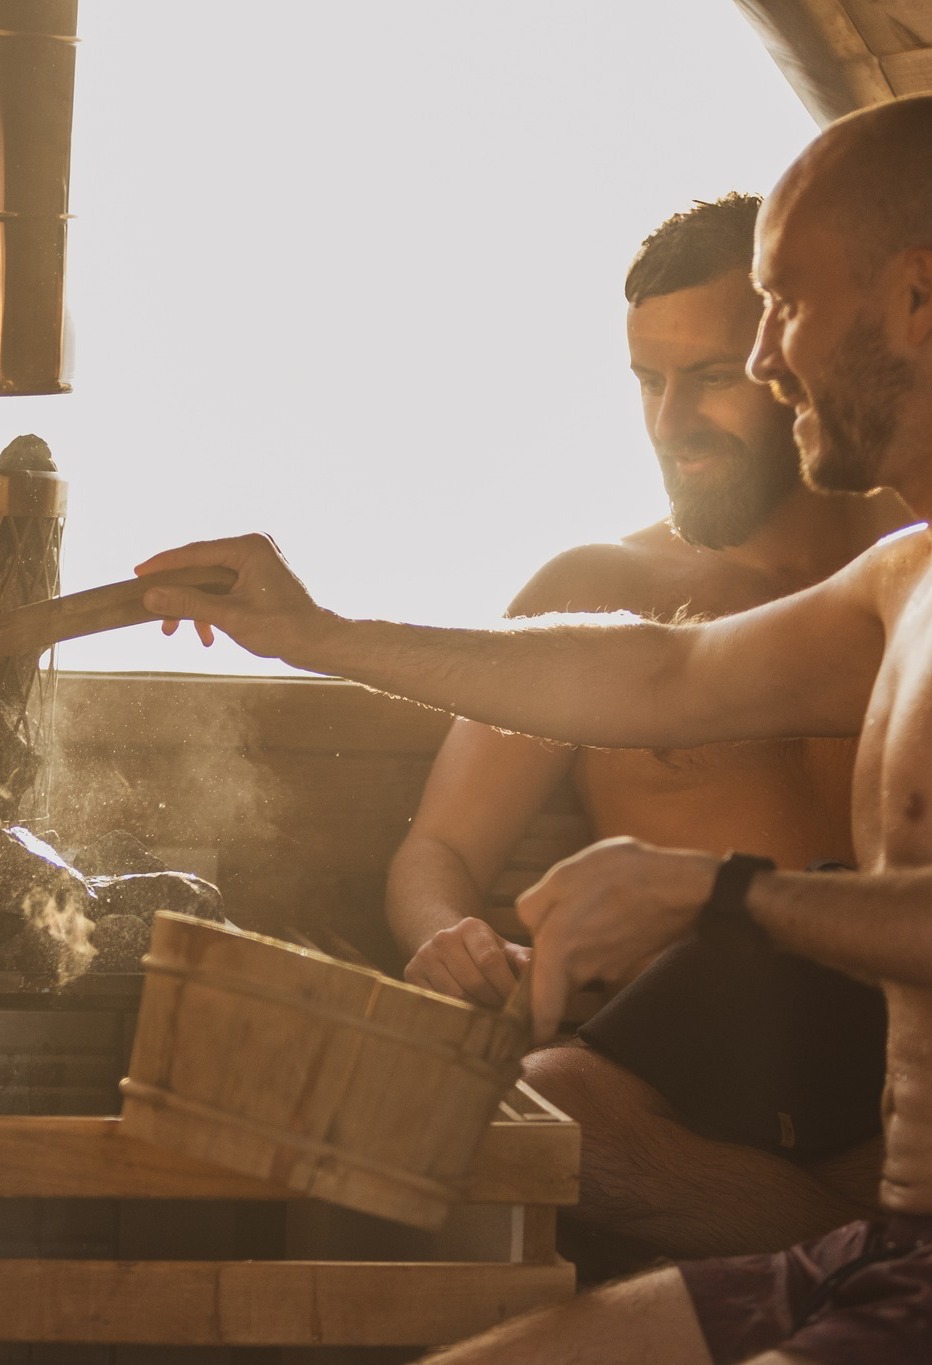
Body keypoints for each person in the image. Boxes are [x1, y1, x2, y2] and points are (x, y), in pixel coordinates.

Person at [136, 92, 932, 1360]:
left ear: (913, 296)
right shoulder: (900, 591)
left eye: (778, 313)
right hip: (876, 1239)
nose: (773, 364)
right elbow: (661, 677)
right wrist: (315, 632)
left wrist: (720, 896)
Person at [382, 194, 911, 1269]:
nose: (672, 420)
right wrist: (448, 935)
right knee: (541, 1111)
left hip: (901, 1032)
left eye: (710, 377)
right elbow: (436, 852)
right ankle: (876, 1266)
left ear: (791, 357)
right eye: (647, 383)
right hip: (687, 1069)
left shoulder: (912, 573)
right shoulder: (600, 588)